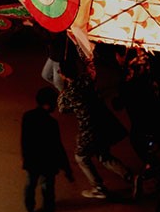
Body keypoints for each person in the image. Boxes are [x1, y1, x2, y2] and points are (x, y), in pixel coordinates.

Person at [57, 54, 134, 200]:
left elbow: (63, 109)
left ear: (62, 74)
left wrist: (62, 91)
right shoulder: (86, 80)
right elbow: (92, 76)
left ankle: (98, 188)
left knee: (81, 157)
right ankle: (130, 176)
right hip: (103, 123)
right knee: (102, 154)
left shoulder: (68, 94)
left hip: (89, 129)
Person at [111, 47, 160, 199]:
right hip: (159, 117)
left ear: (122, 57)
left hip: (141, 123)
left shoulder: (127, 81)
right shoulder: (148, 73)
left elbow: (119, 104)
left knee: (140, 145)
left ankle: (152, 171)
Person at [21, 86, 75, 212]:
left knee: (30, 184)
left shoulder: (27, 116)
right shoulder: (51, 123)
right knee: (48, 193)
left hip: (32, 161)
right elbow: (58, 148)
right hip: (47, 165)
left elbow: (25, 141)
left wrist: (26, 158)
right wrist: (67, 169)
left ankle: (29, 207)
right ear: (50, 103)